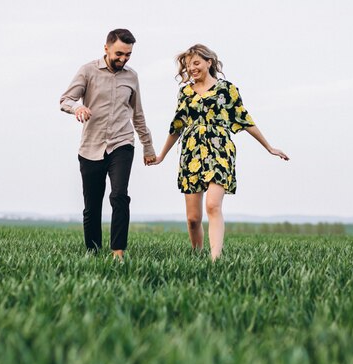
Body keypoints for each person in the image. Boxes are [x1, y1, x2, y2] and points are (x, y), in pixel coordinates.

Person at [149, 44, 289, 261]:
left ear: (209, 62)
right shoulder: (185, 92)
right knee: (193, 219)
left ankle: (215, 260)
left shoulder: (227, 89)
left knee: (213, 205)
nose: (192, 68)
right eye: (188, 65)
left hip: (219, 149)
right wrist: (161, 156)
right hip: (192, 153)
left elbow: (244, 119)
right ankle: (197, 256)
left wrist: (269, 147)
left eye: (196, 63)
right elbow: (177, 126)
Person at [60, 28, 156, 260]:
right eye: (119, 54)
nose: (123, 59)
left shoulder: (132, 77)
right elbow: (66, 100)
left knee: (119, 196)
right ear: (106, 48)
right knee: (92, 205)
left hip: (122, 143)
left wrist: (148, 145)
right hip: (91, 146)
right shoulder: (88, 71)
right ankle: (93, 251)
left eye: (128, 55)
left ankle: (118, 252)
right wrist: (78, 107)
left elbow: (138, 114)